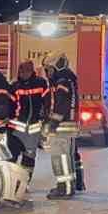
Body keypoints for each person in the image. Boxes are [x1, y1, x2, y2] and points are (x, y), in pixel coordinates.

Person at [44, 53, 87, 198]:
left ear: (57, 67)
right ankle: (69, 185)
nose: (48, 73)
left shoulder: (62, 82)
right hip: (69, 124)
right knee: (67, 157)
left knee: (60, 157)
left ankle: (65, 188)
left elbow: (61, 104)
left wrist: (53, 123)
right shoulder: (68, 80)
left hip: (62, 126)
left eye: (49, 69)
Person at [12, 61, 49, 170]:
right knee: (12, 154)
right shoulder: (15, 85)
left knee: (29, 155)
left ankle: (26, 178)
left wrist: (45, 118)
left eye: (26, 71)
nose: (23, 73)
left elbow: (47, 102)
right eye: (21, 71)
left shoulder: (41, 83)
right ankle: (12, 176)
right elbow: (11, 105)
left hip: (34, 127)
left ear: (31, 71)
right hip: (17, 127)